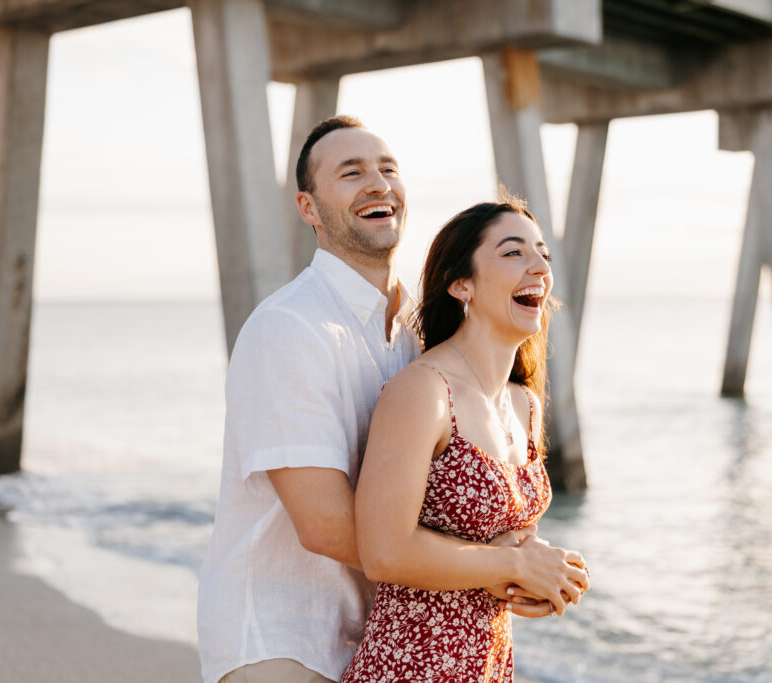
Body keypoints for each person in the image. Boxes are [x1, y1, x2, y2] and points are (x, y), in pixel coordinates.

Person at [197, 115, 582, 683]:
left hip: (389, 632)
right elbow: (327, 524)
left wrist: (517, 557)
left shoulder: (416, 334)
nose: (378, 184)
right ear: (309, 209)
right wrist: (505, 566)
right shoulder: (289, 328)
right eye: (351, 173)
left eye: (388, 169)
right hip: (284, 638)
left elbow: (447, 497)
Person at [341, 198, 588, 682]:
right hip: (410, 667)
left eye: (542, 254)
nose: (539, 266)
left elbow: (496, 545)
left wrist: (536, 577)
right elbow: (383, 552)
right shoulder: (424, 391)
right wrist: (513, 563)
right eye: (513, 253)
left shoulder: (526, 404)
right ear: (461, 284)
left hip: (487, 667)